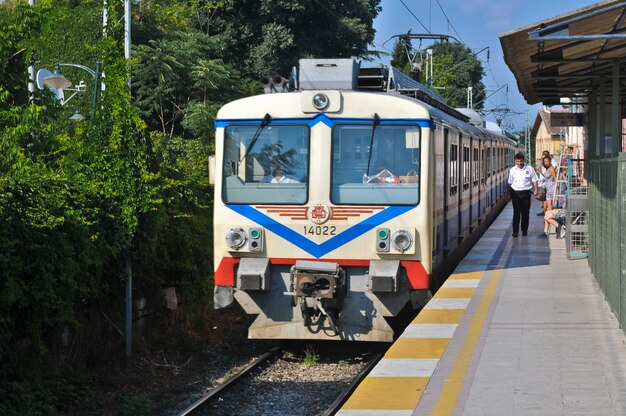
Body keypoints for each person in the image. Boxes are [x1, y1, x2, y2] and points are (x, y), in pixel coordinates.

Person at [508, 153, 539, 237]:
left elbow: (535, 179)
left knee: (525, 213)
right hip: (516, 193)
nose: (519, 163)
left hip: (526, 193)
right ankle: (515, 232)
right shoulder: (512, 170)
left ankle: (524, 230)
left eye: (521, 161)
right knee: (516, 213)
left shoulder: (529, 168)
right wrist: (510, 194)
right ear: (515, 161)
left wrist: (536, 189)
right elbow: (510, 183)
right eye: (517, 161)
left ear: (523, 160)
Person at [538, 155, 557, 237]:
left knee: (549, 212)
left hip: (552, 191)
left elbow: (556, 179)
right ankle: (547, 230)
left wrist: (557, 191)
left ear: (550, 161)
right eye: (545, 162)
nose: (546, 163)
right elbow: (547, 177)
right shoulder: (546, 169)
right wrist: (541, 172)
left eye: (547, 161)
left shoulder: (552, 169)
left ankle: (548, 230)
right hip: (548, 191)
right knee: (548, 212)